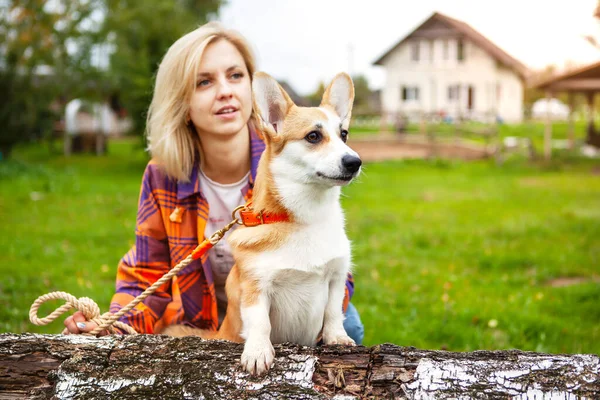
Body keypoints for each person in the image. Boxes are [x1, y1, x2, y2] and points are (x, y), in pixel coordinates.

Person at [63, 22, 364, 344]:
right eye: (204, 82)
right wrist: (109, 326)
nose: (225, 91)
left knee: (352, 326)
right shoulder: (163, 176)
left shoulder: (290, 161)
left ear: (252, 89)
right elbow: (146, 275)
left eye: (235, 76)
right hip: (202, 320)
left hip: (290, 312)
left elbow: (330, 258)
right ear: (183, 103)